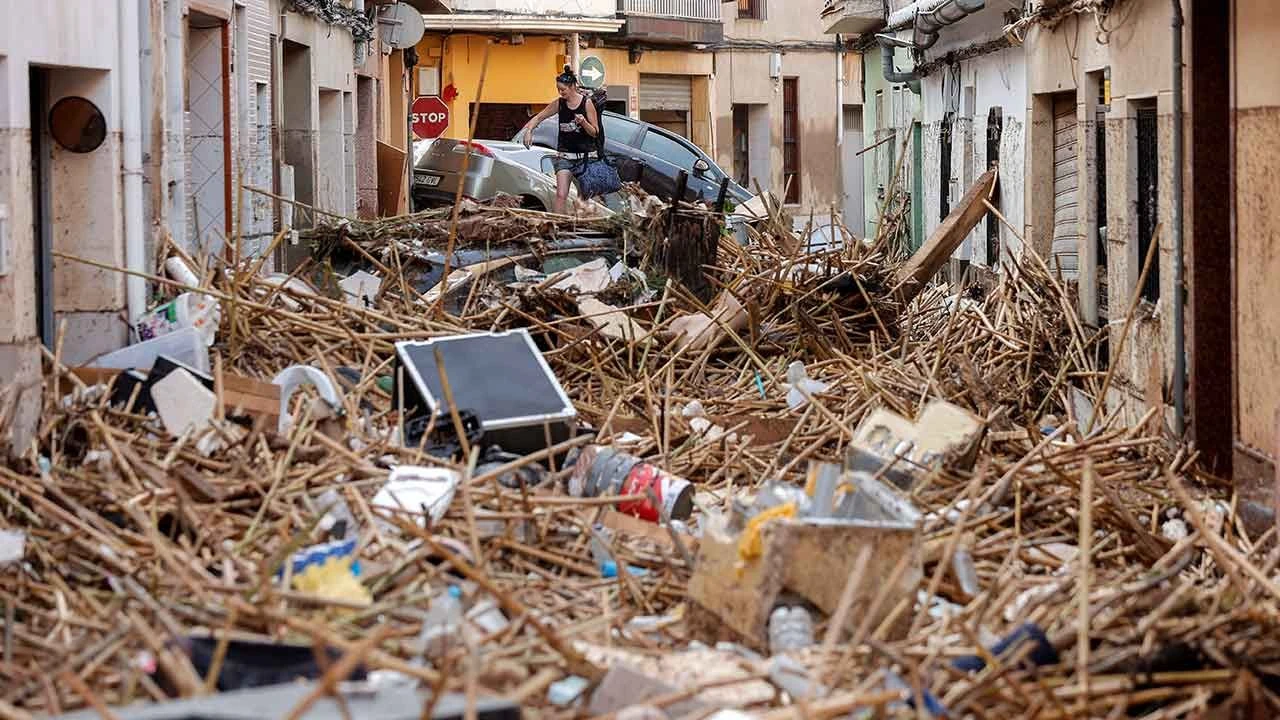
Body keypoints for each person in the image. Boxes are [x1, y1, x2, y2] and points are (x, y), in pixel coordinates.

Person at [521, 66, 600, 215]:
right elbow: (539, 117)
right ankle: (559, 226)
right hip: (564, 157)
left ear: (572, 87)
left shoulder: (586, 103)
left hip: (586, 158)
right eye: (558, 89)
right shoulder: (559, 103)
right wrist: (529, 131)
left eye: (563, 89)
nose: (561, 92)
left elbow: (595, 132)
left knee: (583, 198)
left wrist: (583, 123)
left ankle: (581, 228)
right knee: (561, 194)